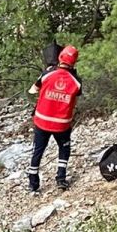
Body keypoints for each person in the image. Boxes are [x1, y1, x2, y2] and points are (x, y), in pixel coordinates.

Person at [27, 44, 81, 194]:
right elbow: (76, 94)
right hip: (62, 124)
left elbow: (32, 90)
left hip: (42, 121)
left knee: (38, 150)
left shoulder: (47, 74)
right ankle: (61, 178)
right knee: (64, 149)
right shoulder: (76, 81)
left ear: (60, 57)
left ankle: (33, 183)